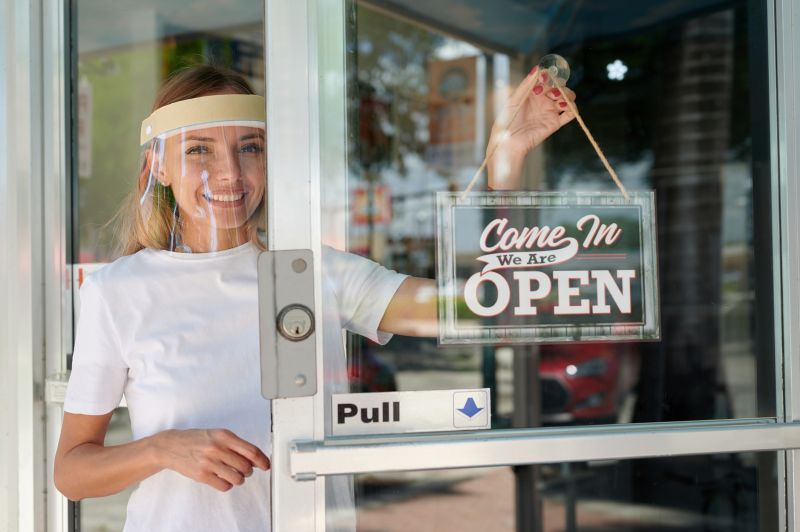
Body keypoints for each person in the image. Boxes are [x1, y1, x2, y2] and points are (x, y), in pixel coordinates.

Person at [54, 65, 574, 531]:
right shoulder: (117, 289)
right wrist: (162, 449)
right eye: (199, 149)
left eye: (249, 148)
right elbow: (73, 473)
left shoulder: (313, 273)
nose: (231, 172)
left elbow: (468, 308)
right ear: (158, 169)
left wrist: (505, 163)